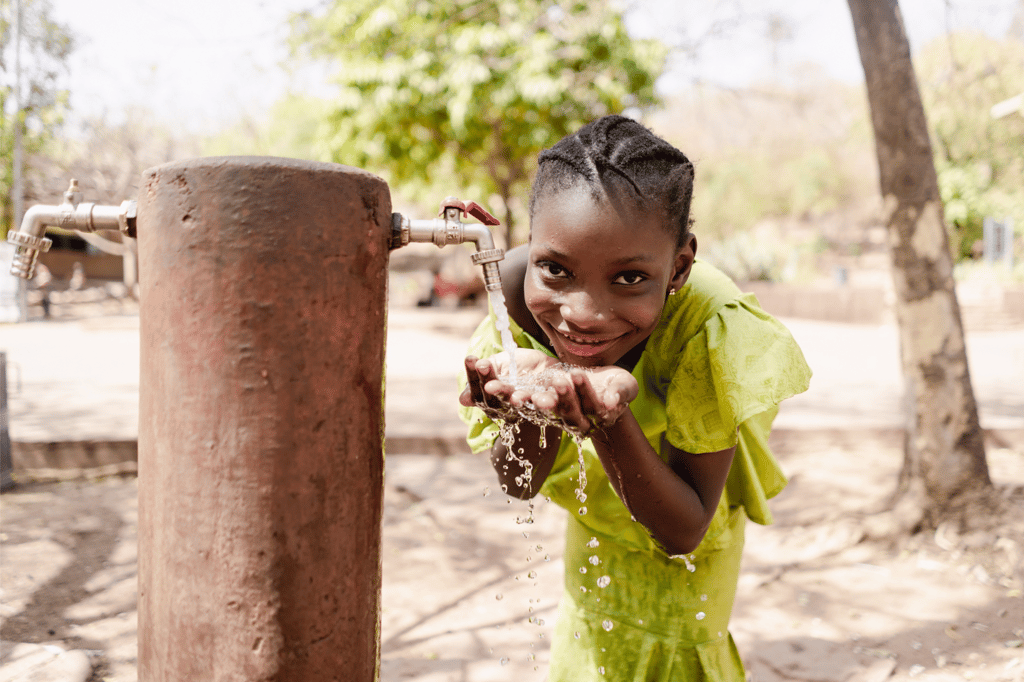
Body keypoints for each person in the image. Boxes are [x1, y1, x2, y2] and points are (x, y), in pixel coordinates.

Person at [458, 114, 812, 681]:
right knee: (589, 651)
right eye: (555, 269)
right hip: (597, 525)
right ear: (532, 245)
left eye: (628, 279)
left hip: (687, 546)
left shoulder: (707, 327)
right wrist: (531, 407)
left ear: (679, 266)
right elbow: (519, 483)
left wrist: (605, 417)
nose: (583, 314)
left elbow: (683, 530)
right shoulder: (518, 304)